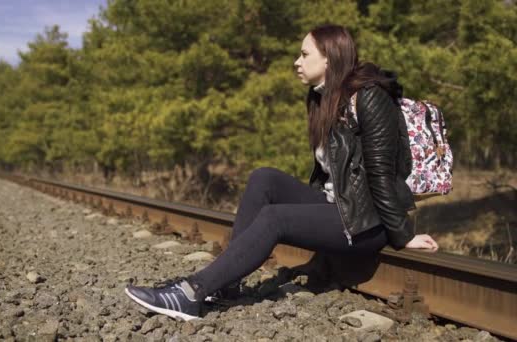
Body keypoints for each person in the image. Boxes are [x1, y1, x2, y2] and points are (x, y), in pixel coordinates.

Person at [124, 24, 439, 321]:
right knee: (264, 178)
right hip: (340, 206)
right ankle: (225, 284)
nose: (296, 62)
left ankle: (191, 293)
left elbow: (380, 174)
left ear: (329, 58)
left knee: (276, 217)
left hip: (368, 222)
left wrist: (403, 234)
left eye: (304, 54)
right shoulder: (322, 96)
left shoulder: (371, 97)